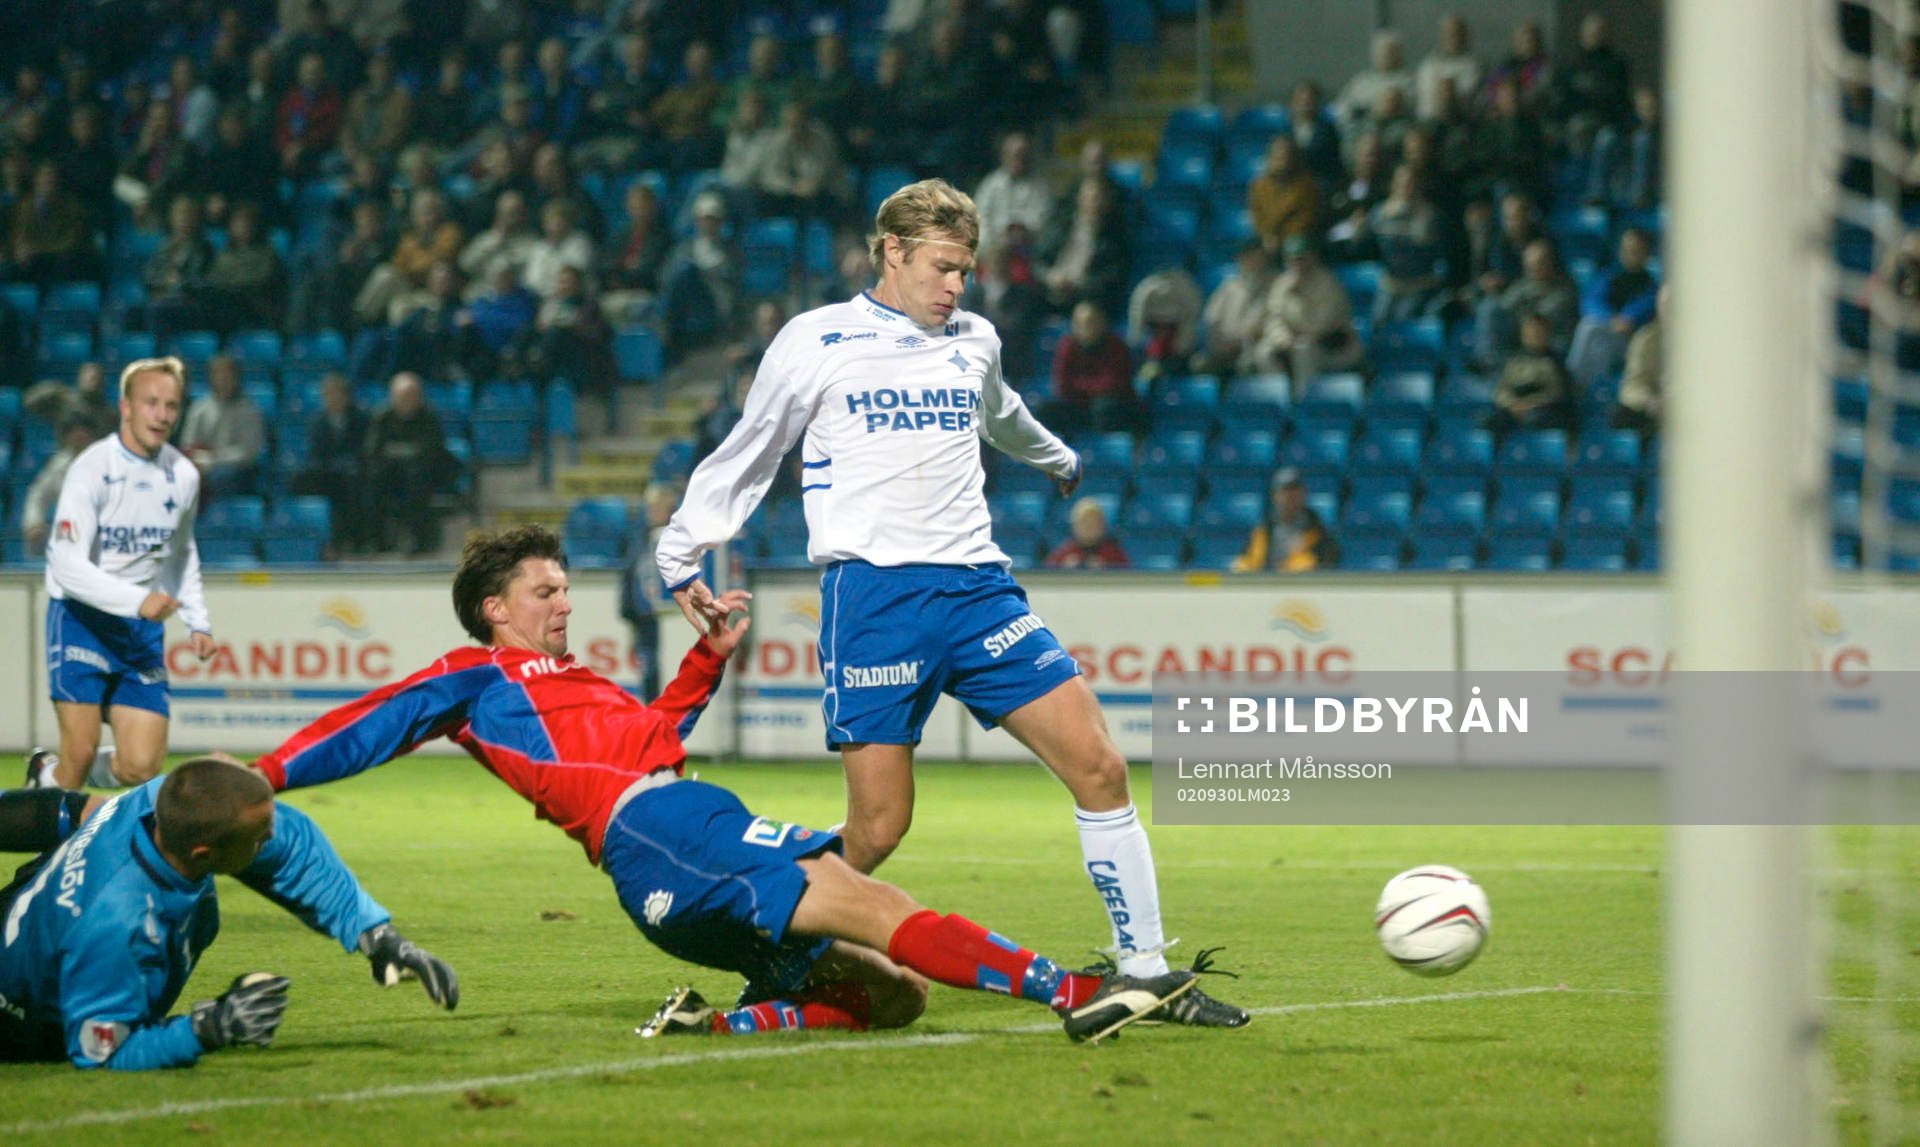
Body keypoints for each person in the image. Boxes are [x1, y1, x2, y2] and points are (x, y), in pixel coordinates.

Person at [654, 180, 1247, 1029]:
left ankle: (1144, 972)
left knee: (1100, 764)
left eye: (966, 271)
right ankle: (772, 949)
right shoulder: (815, 339)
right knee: (880, 825)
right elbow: (750, 451)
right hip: (875, 598)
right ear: (889, 251)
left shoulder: (974, 339)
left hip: (978, 589)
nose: (957, 287)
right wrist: (681, 552)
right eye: (942, 267)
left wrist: (1058, 457)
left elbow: (1001, 415)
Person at [254, 526, 1209, 1043]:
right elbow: (368, 723)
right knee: (878, 903)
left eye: (562, 588)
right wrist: (265, 777)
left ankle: (723, 1022)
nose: (563, 602)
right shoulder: (473, 677)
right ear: (493, 610)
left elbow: (652, 736)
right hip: (672, 830)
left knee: (899, 998)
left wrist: (707, 658)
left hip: (665, 860)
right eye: (545, 591)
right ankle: (1074, 990)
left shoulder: (572, 686)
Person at [0, 758, 457, 1068]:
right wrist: (208, 1028)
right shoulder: (117, 925)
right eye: (259, 835)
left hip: (33, 916)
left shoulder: (166, 802)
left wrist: (375, 935)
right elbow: (100, 1049)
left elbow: (292, 848)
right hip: (23, 1014)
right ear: (203, 852)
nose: (271, 838)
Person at [30, 358, 215, 792]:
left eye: (172, 405)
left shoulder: (183, 475)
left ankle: (46, 775)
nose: (163, 414)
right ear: (126, 407)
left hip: (139, 632)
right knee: (78, 754)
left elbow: (182, 551)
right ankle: (51, 846)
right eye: (151, 402)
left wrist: (197, 618)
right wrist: (136, 600)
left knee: (141, 766)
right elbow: (66, 565)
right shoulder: (91, 469)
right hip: (82, 621)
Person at [365, 372, 453, 555]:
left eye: (411, 396)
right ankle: (378, 541)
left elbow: (433, 450)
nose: (406, 401)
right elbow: (373, 449)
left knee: (416, 481)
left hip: (425, 474)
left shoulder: (429, 417)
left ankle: (418, 540)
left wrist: (399, 453)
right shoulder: (382, 417)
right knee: (373, 482)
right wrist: (406, 453)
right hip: (392, 474)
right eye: (402, 397)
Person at [619, 482, 682, 699]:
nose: (653, 512)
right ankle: (651, 713)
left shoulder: (680, 538)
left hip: (671, 616)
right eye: (651, 507)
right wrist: (627, 608)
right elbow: (631, 571)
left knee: (670, 668)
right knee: (648, 669)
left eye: (658, 507)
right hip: (644, 615)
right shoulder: (639, 536)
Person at [178, 354, 267, 500]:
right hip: (202, 467)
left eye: (227, 375)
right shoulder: (200, 408)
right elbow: (187, 444)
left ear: (236, 378)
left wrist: (215, 459)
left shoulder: (250, 410)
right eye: (218, 375)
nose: (222, 380)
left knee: (220, 478)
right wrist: (198, 459)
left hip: (238, 471)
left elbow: (248, 453)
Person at [1232, 468, 1338, 572]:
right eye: (1286, 490)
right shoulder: (1265, 528)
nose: (1291, 495)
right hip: (1268, 585)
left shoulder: (1316, 528)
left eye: (1295, 490)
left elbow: (1329, 560)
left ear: (1304, 493)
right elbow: (1249, 559)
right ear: (1275, 495)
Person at [20, 415, 95, 555]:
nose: (79, 436)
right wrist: (33, 523)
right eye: (74, 432)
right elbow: (38, 495)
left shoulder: (106, 462)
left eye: (83, 431)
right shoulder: (58, 464)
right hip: (70, 528)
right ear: (67, 437)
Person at [1045, 497, 1130, 569]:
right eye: (1084, 523)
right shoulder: (1063, 553)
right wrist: (1064, 570)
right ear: (1075, 525)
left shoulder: (1114, 553)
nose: (1089, 527)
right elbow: (1047, 576)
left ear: (1103, 526)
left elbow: (1128, 578)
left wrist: (1105, 569)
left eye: (1094, 523)